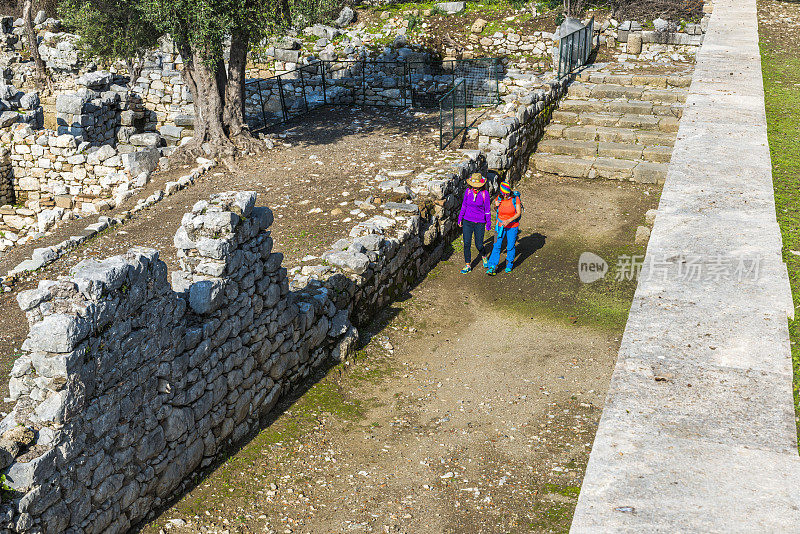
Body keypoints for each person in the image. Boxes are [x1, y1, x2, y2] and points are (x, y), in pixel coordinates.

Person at [486, 181, 523, 276]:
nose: (505, 195)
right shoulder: (499, 198)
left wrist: (509, 220)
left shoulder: (515, 199)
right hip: (500, 226)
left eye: (507, 193)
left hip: (512, 226)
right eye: (503, 193)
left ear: (510, 192)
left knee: (510, 246)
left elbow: (518, 213)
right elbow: (496, 210)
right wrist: (496, 206)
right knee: (496, 245)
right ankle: (492, 266)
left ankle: (509, 265)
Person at [457, 172, 491, 273]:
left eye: (477, 187)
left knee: (479, 244)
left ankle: (484, 255)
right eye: (473, 186)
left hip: (480, 222)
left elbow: (487, 210)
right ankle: (468, 265)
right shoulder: (468, 192)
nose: (475, 188)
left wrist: (488, 223)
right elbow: (464, 205)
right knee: (466, 243)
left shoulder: (485, 194)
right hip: (467, 221)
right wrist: (460, 218)